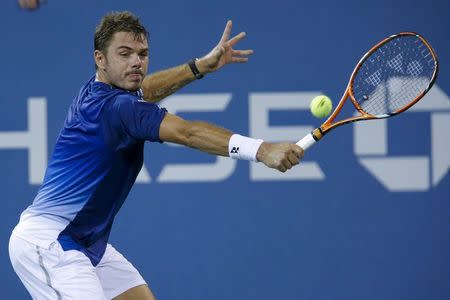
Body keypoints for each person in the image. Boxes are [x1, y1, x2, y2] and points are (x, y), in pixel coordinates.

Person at [9, 11, 304, 300]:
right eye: (124, 54)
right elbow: (186, 133)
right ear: (100, 58)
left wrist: (198, 67)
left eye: (142, 53)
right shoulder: (117, 109)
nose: (136, 62)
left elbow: (145, 90)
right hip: (49, 242)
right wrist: (262, 150)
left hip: (84, 240)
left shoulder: (100, 89)